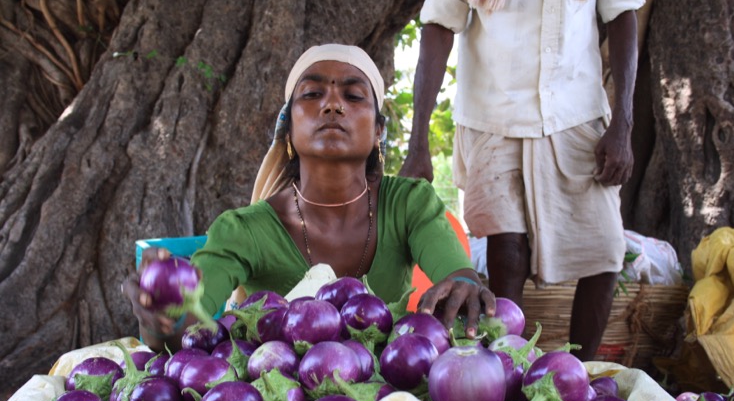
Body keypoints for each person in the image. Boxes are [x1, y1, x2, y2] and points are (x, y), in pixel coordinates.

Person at [124, 44, 494, 353]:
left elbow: (458, 276)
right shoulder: (244, 230)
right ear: (288, 130)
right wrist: (160, 314)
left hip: (392, 398)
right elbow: (185, 331)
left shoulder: (410, 203)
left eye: (353, 95)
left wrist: (466, 288)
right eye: (313, 94)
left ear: (378, 131)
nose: (333, 105)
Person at [398, 0, 644, 360]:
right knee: (508, 253)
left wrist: (623, 123)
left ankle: (579, 371)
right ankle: (509, 367)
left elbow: (622, 15)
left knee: (606, 250)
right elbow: (438, 26)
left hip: (575, 114)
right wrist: (418, 142)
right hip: (494, 117)